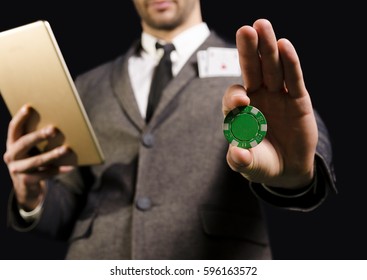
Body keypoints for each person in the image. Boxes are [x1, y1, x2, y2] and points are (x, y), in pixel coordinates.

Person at [3, 0, 337, 259]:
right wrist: (33, 197)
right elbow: (67, 208)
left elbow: (300, 145)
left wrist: (296, 174)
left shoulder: (255, 72)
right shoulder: (87, 84)